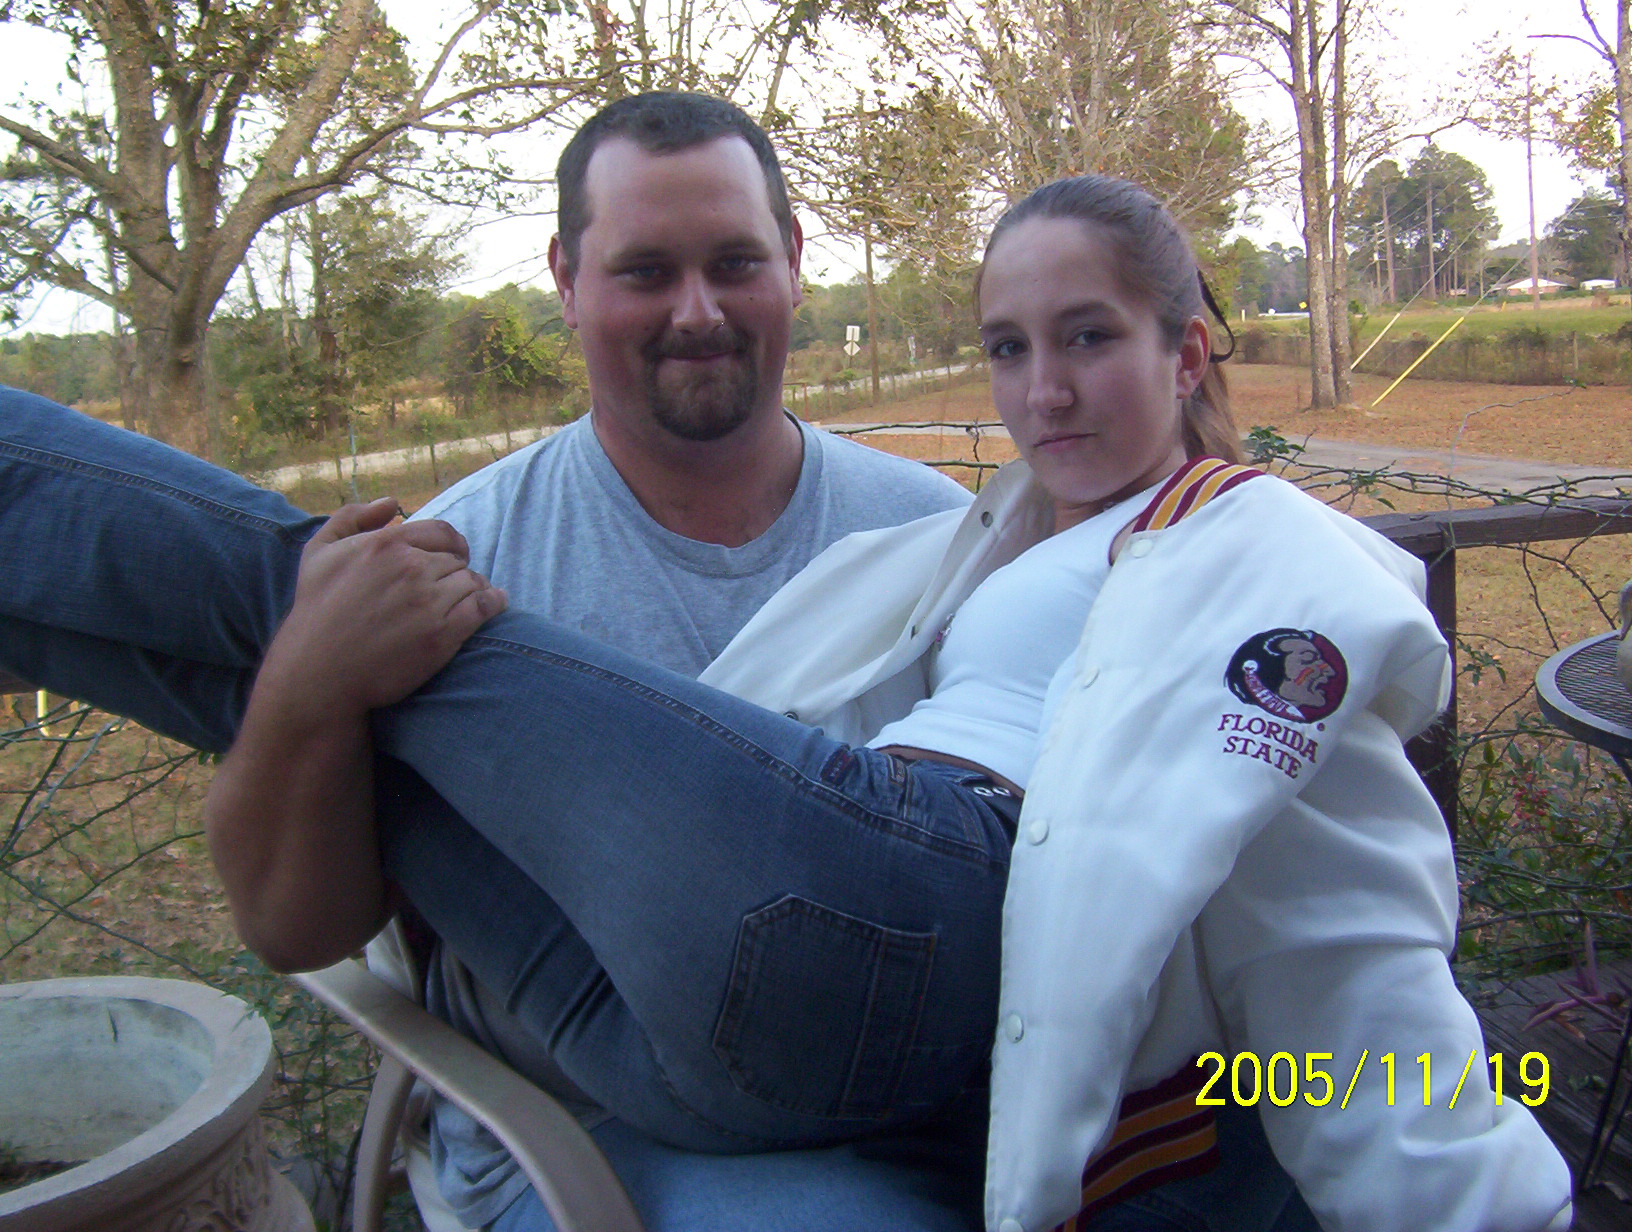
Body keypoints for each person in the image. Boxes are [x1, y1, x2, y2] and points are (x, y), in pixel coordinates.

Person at [0, 161, 1572, 1231]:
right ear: (568, 285)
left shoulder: (1245, 553)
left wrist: (1473, 1191)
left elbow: (1341, 928)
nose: (1041, 390)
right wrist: (309, 688)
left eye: (1090, 338)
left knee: (290, 586)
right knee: (295, 629)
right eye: (1008, 347)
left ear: (1189, 354)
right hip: (652, 1038)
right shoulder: (966, 542)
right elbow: (298, 923)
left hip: (881, 927)